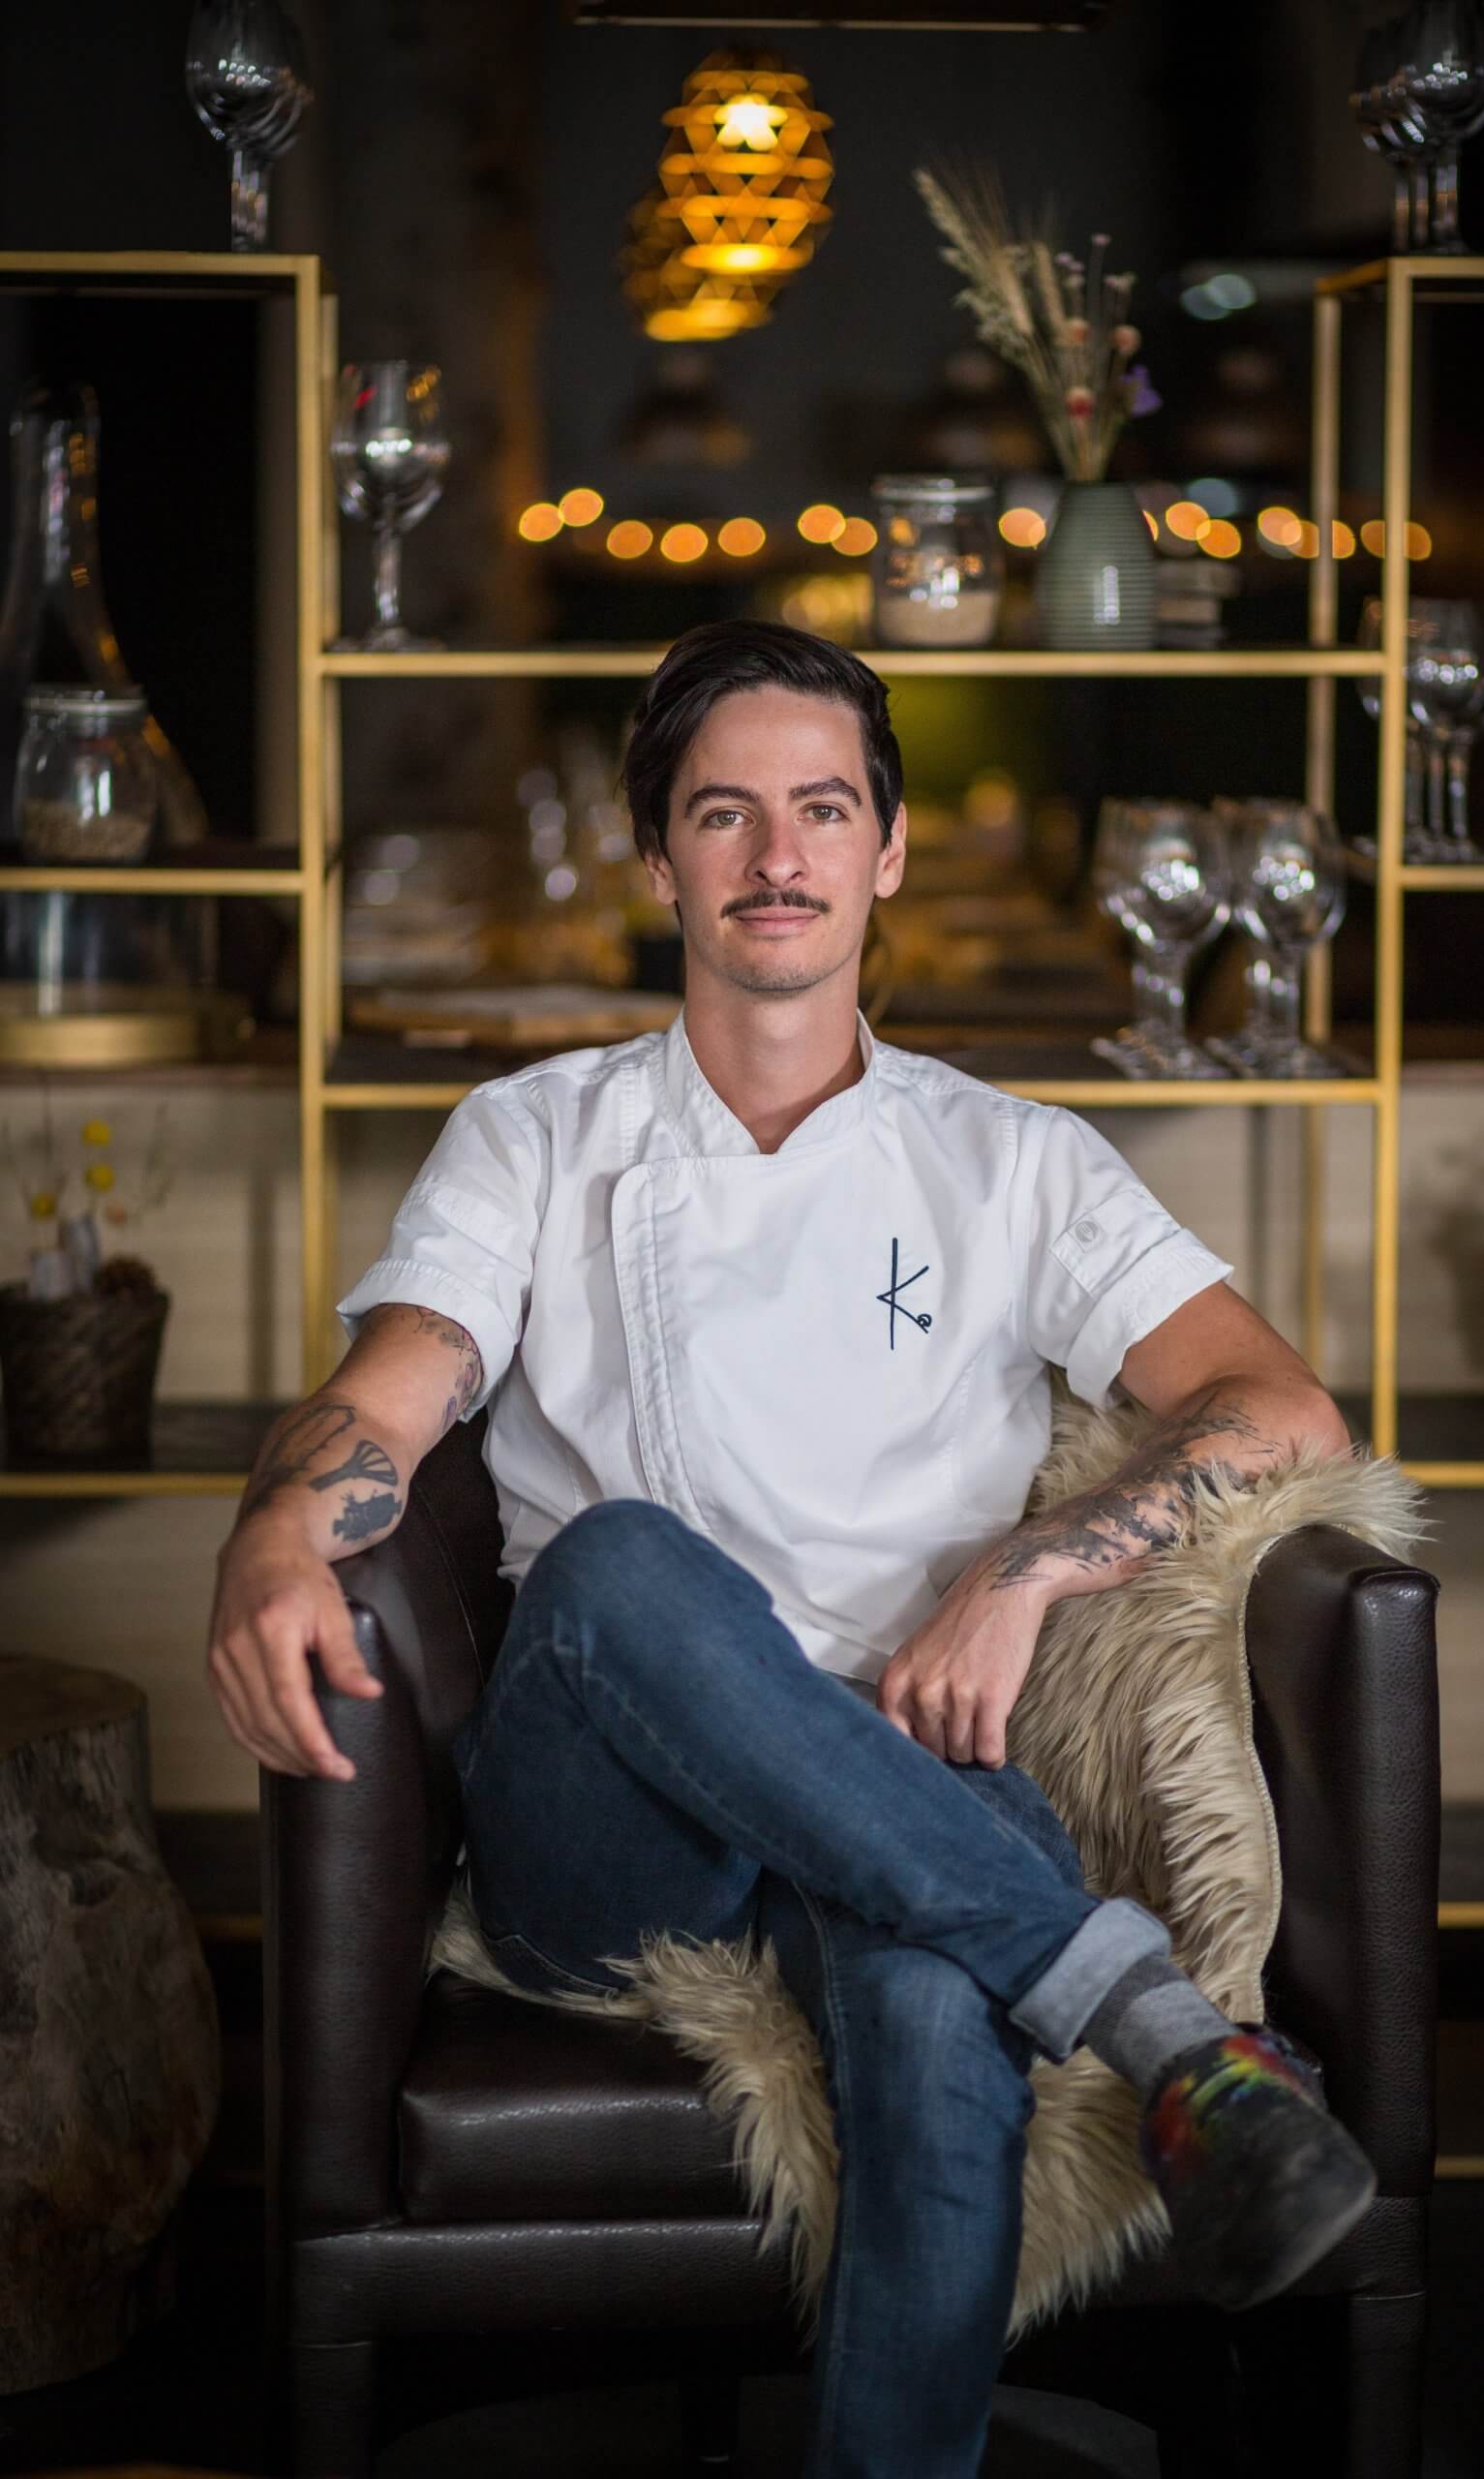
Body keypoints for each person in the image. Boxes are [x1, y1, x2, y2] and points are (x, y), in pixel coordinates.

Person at [208, 620, 1376, 2478]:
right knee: (617, 1565)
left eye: (822, 810)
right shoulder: (534, 1136)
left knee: (933, 2018)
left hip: (912, 1771)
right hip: (610, 1835)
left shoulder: (1018, 1161)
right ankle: (1148, 2018)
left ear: (886, 848)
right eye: (725, 815)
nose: (778, 858)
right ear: (660, 856)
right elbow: (388, 1400)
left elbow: (1279, 1408)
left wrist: (1028, 1570)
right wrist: (284, 1518)